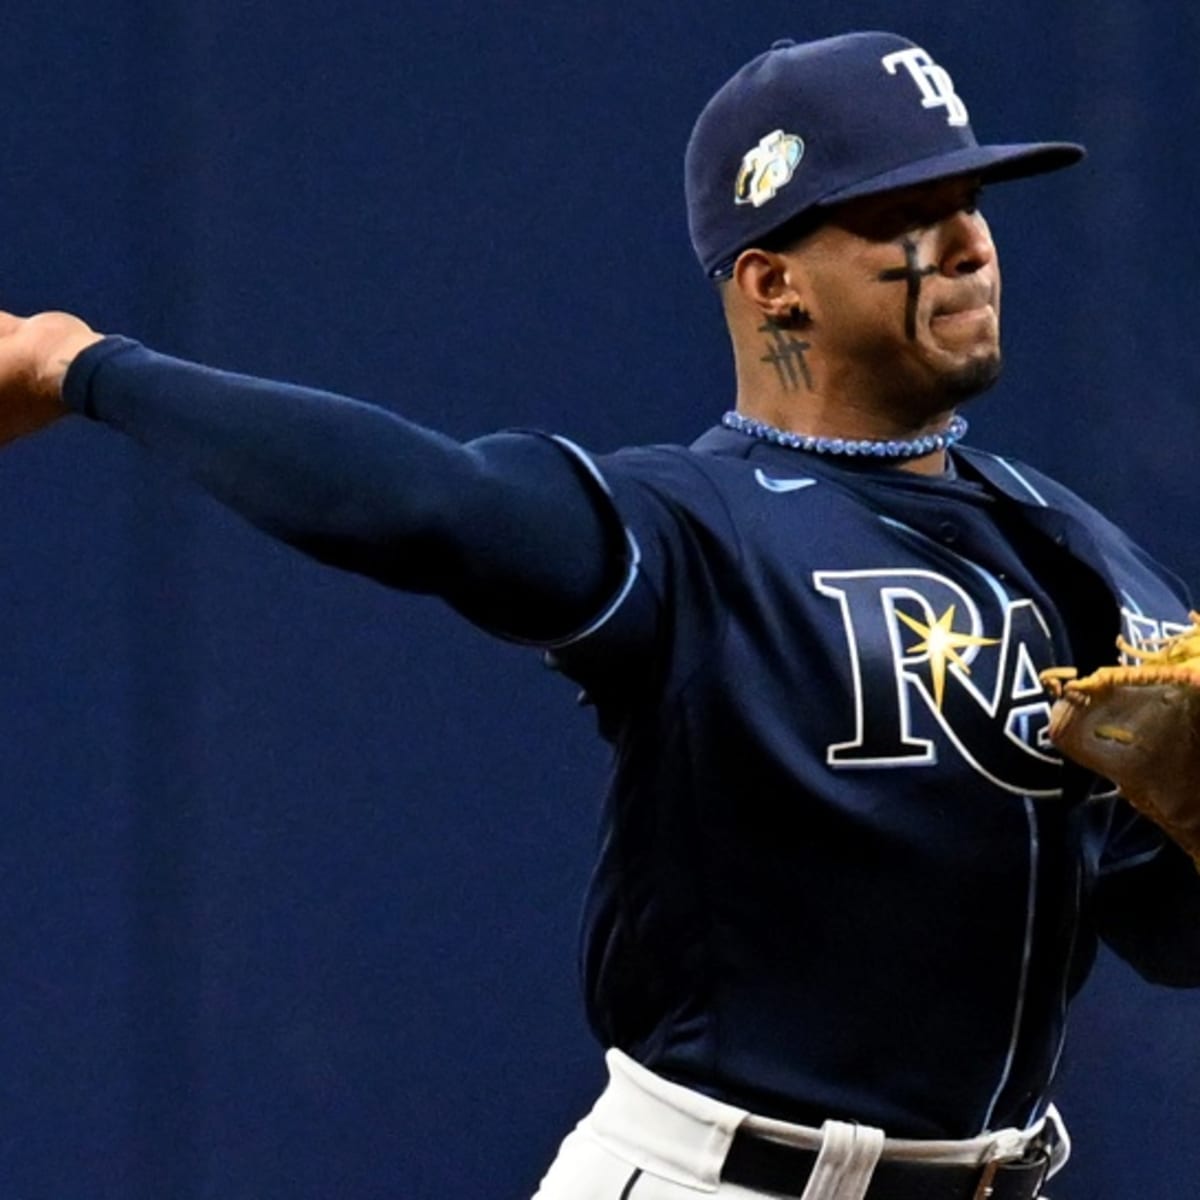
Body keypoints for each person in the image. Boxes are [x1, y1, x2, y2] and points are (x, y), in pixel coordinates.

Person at [0, 30, 1197, 1200]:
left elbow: (1166, 931)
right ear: (773, 280)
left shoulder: (1084, 558)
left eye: (973, 199)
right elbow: (428, 506)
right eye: (905, 216)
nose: (970, 245)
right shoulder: (692, 529)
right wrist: (86, 363)